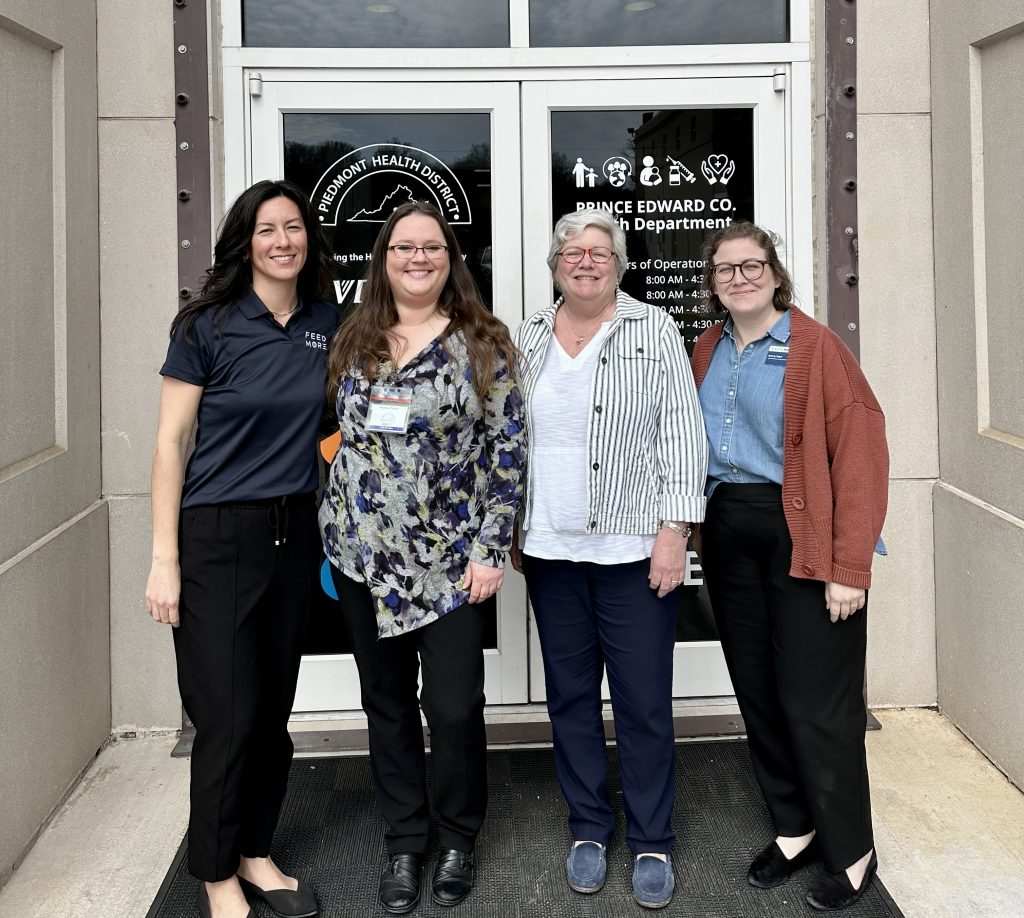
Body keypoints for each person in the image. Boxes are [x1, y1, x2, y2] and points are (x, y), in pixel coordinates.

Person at [319, 201, 526, 914]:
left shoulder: (483, 343)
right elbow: (342, 437)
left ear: (450, 258)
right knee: (387, 707)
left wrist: (492, 546)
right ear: (383, 259)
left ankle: (458, 836)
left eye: (431, 247)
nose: (417, 258)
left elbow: (508, 452)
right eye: (403, 247)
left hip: (450, 565)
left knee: (454, 706)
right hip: (363, 560)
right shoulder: (357, 338)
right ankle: (406, 842)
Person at [145, 180, 337, 918]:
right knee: (224, 717)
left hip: (293, 536)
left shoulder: (327, 320)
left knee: (270, 713)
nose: (282, 240)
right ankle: (215, 872)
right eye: (267, 229)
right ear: (245, 241)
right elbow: (170, 442)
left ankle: (256, 852)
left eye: (294, 228)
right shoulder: (207, 324)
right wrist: (166, 558)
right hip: (217, 535)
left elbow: (338, 419)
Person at [511, 208, 708, 910]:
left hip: (632, 548)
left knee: (644, 701)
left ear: (619, 265)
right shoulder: (527, 334)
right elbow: (510, 435)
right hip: (552, 549)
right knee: (569, 697)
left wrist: (675, 529)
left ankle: (652, 838)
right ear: (555, 262)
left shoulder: (652, 329)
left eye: (599, 251)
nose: (585, 260)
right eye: (572, 250)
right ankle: (589, 826)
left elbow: (682, 432)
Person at [692, 222, 889, 911]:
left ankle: (852, 848)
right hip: (729, 533)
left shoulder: (815, 348)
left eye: (751, 266)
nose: (739, 278)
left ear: (776, 275)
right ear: (712, 284)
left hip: (801, 531)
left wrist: (849, 566)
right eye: (725, 270)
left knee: (818, 700)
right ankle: (794, 827)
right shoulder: (707, 349)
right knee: (759, 689)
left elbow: (861, 455)